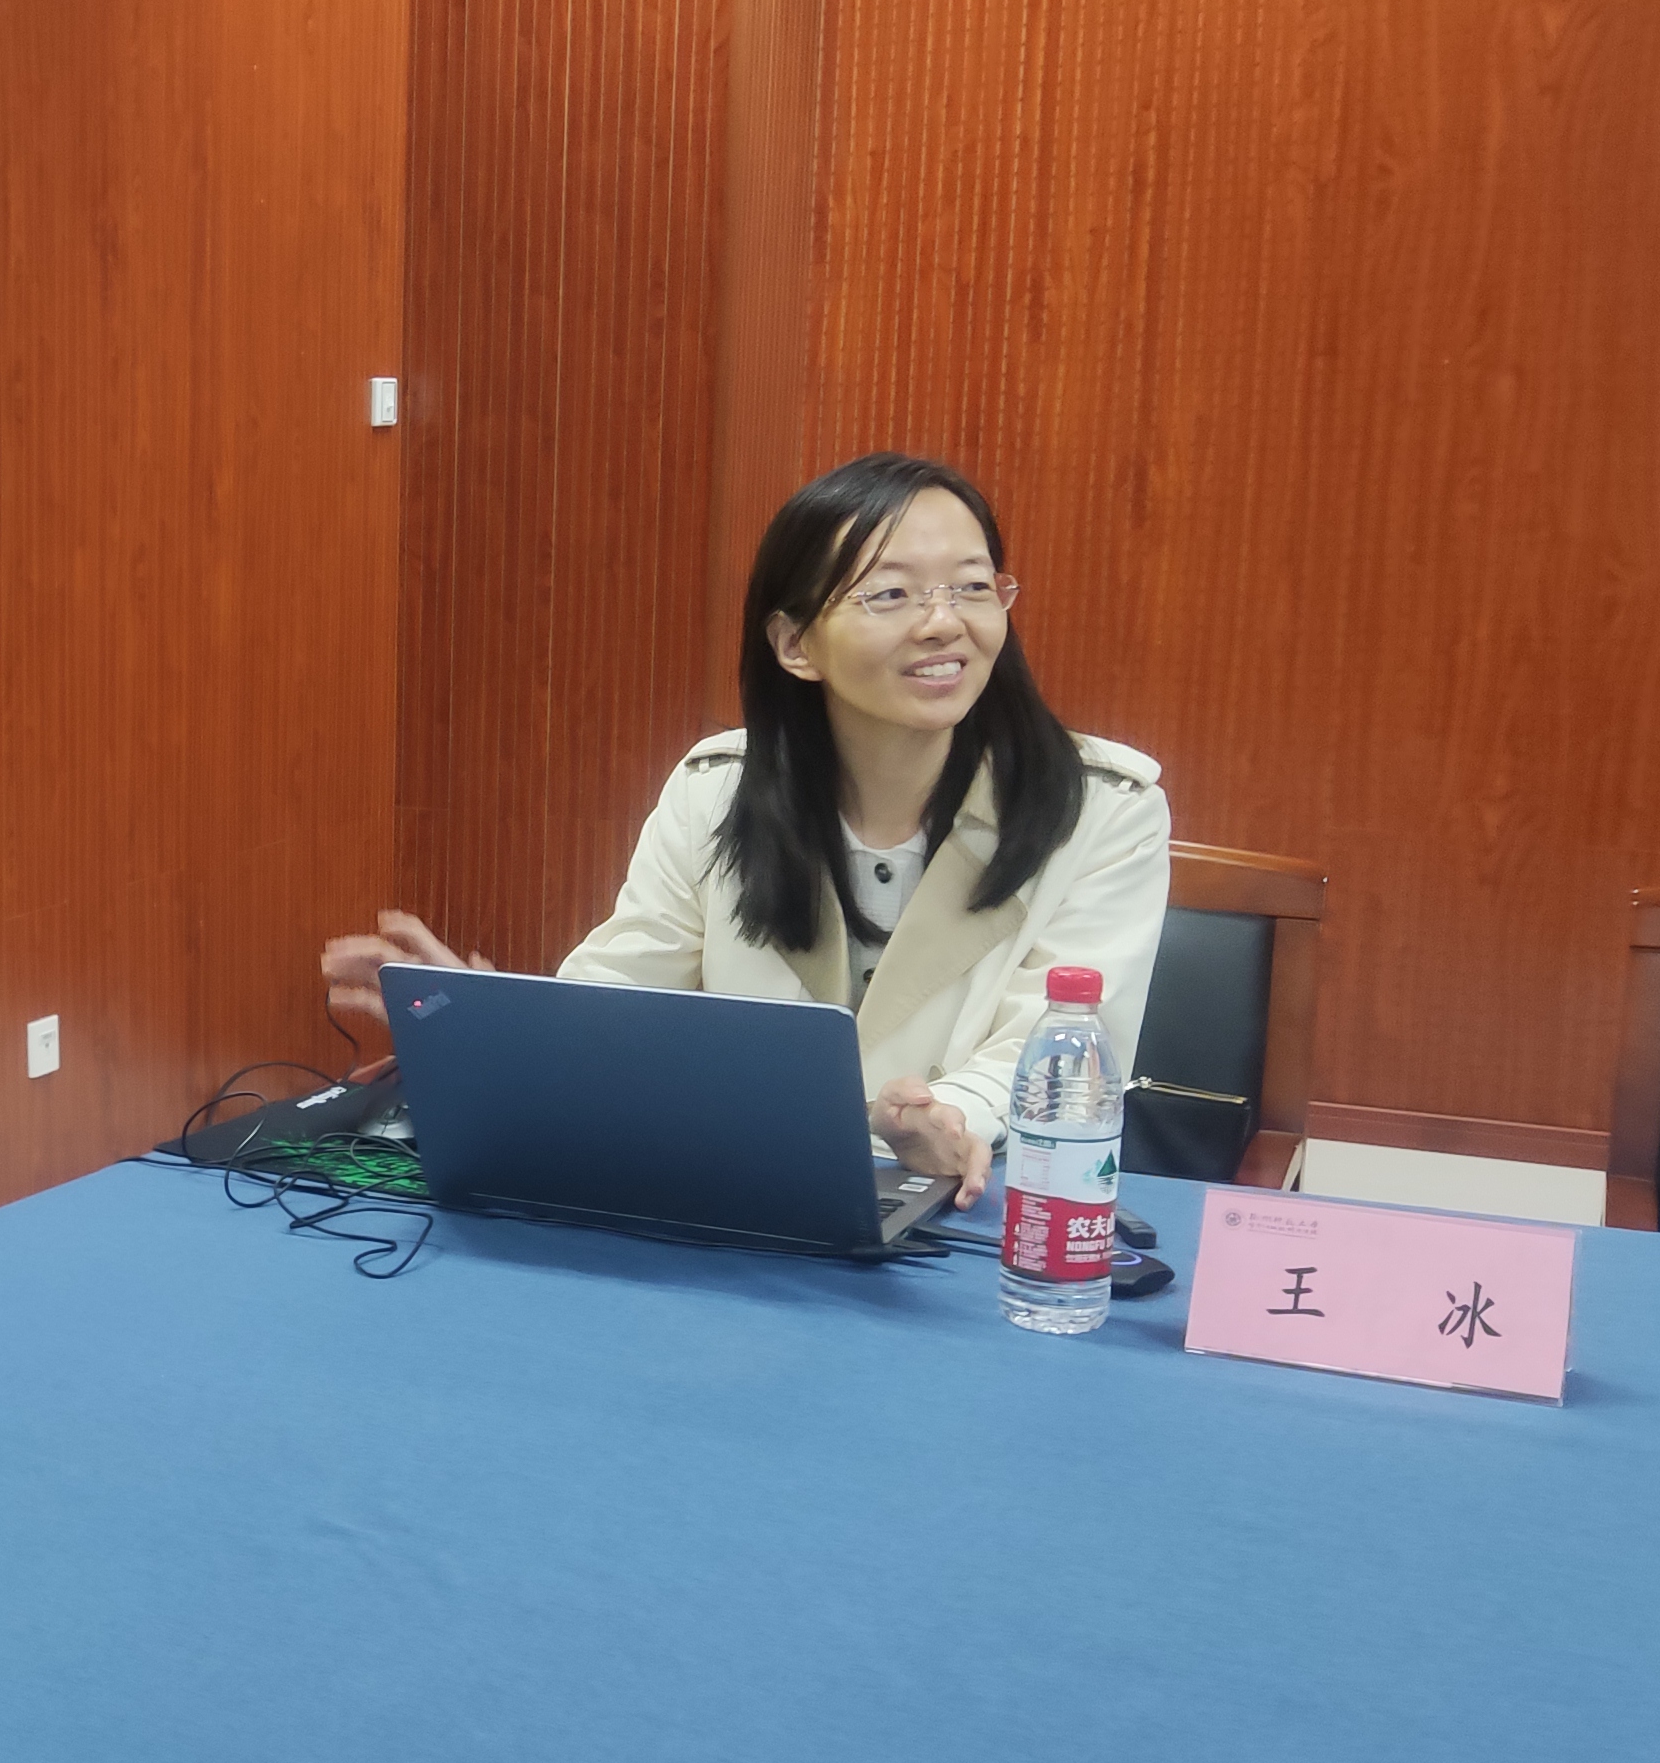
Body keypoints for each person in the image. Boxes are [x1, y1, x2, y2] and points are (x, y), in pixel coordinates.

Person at [321, 453, 1169, 1207]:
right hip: (746, 1199)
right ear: (795, 644)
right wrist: (490, 1020)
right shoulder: (718, 791)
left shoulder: (1102, 808)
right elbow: (616, 1007)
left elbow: (1055, 1050)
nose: (944, 621)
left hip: (978, 1213)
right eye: (892, 593)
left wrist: (943, 1120)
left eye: (973, 587)